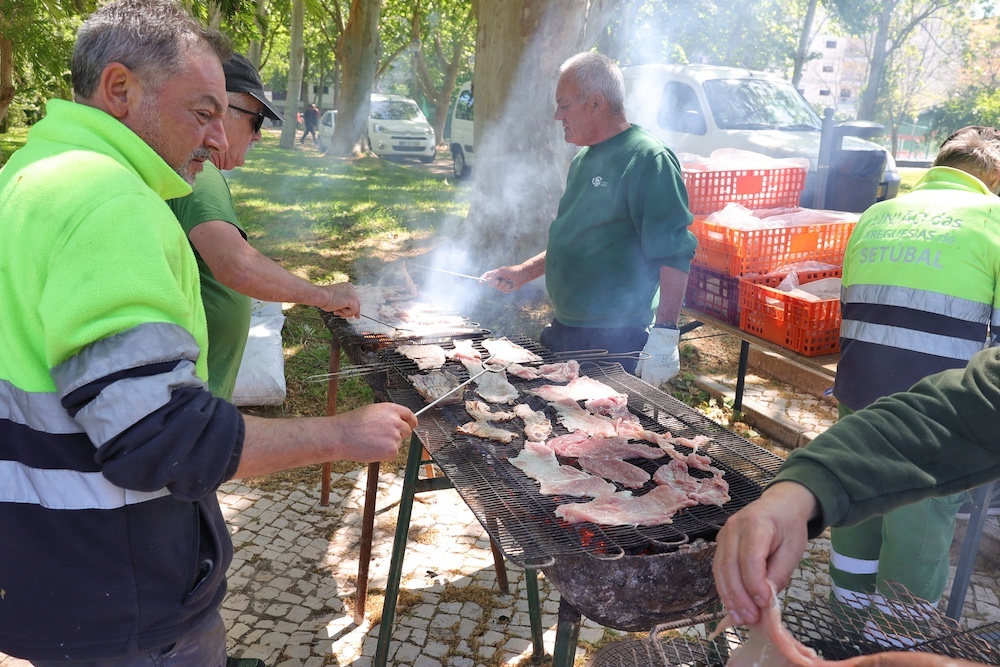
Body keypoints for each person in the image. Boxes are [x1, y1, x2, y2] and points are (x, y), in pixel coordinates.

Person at [0, 1, 416, 665]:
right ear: (119, 88)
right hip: (124, 591)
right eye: (203, 112)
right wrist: (345, 433)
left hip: (52, 567)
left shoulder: (26, 175)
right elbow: (163, 438)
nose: (220, 142)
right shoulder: (108, 200)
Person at [711, 343, 1000, 662]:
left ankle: (893, 636)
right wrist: (801, 487)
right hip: (862, 381)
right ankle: (849, 634)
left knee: (912, 550)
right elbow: (955, 414)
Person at [824, 125, 1000, 631]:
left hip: (858, 395)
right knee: (916, 539)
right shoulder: (993, 219)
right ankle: (896, 648)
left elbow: (850, 307)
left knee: (858, 517)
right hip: (935, 415)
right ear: (992, 177)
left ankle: (843, 629)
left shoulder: (875, 215)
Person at [479, 52, 696, 384]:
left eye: (564, 105)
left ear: (596, 102)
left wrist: (666, 334)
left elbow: (674, 251)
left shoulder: (648, 158)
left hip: (615, 339)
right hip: (568, 327)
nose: (557, 115)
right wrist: (524, 272)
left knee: (607, 431)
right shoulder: (583, 160)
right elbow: (579, 239)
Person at [169, 54, 360, 400]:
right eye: (257, 121)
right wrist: (326, 296)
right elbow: (237, 266)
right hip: (187, 399)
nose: (258, 136)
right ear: (220, 110)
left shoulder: (192, 171)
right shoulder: (204, 176)